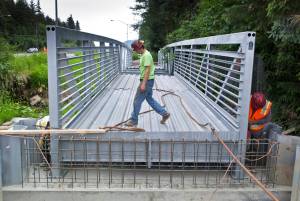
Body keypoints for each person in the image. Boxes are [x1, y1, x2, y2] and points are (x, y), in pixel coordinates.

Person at [125, 40, 170, 127]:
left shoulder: (146, 55)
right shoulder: (145, 54)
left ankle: (134, 120)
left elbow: (147, 70)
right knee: (149, 99)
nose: (135, 51)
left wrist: (143, 84)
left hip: (146, 81)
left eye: (135, 49)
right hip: (149, 80)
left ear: (139, 48)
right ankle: (164, 113)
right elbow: (144, 63)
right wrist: (136, 62)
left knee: (137, 101)